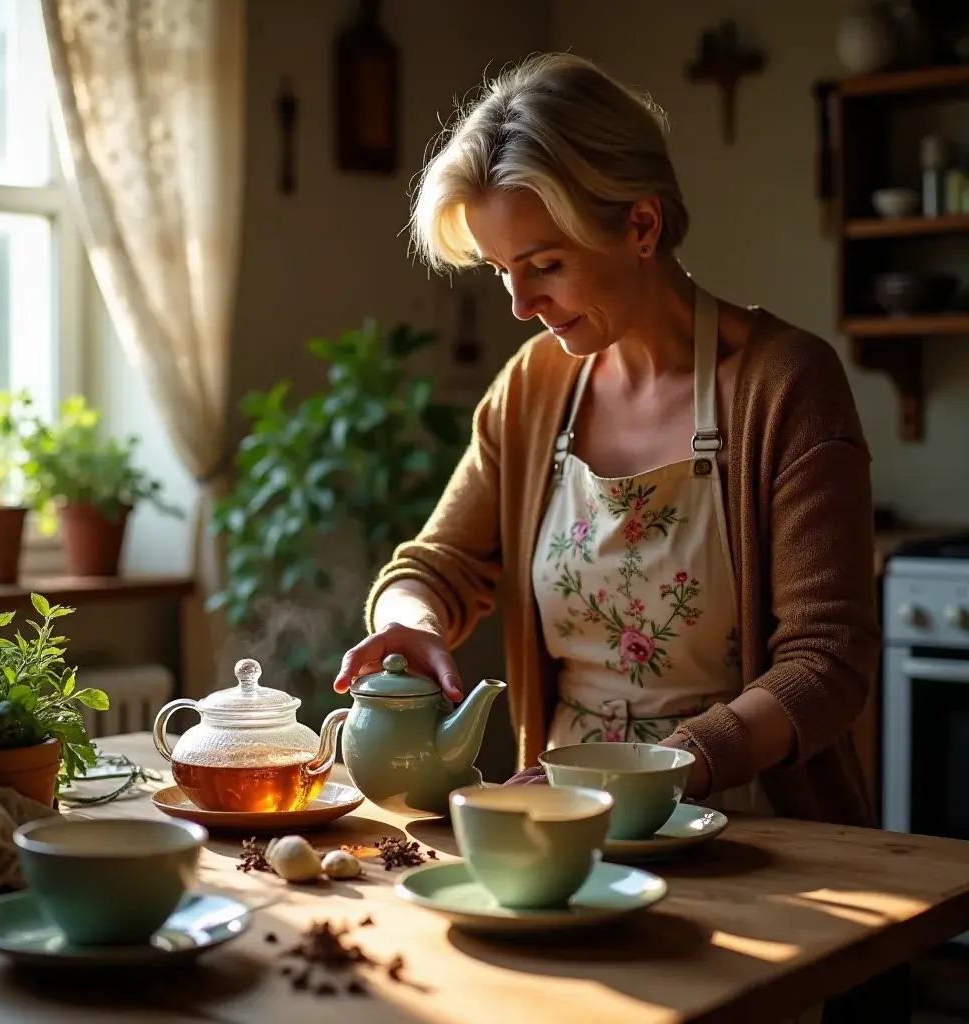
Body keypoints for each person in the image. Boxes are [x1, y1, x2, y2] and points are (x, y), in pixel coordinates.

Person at [332, 54, 907, 1022]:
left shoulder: (785, 385)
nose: (519, 305)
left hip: (759, 853)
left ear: (640, 224)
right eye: (503, 273)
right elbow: (429, 565)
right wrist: (410, 618)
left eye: (544, 265)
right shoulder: (531, 391)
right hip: (560, 851)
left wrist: (670, 764)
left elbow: (828, 660)